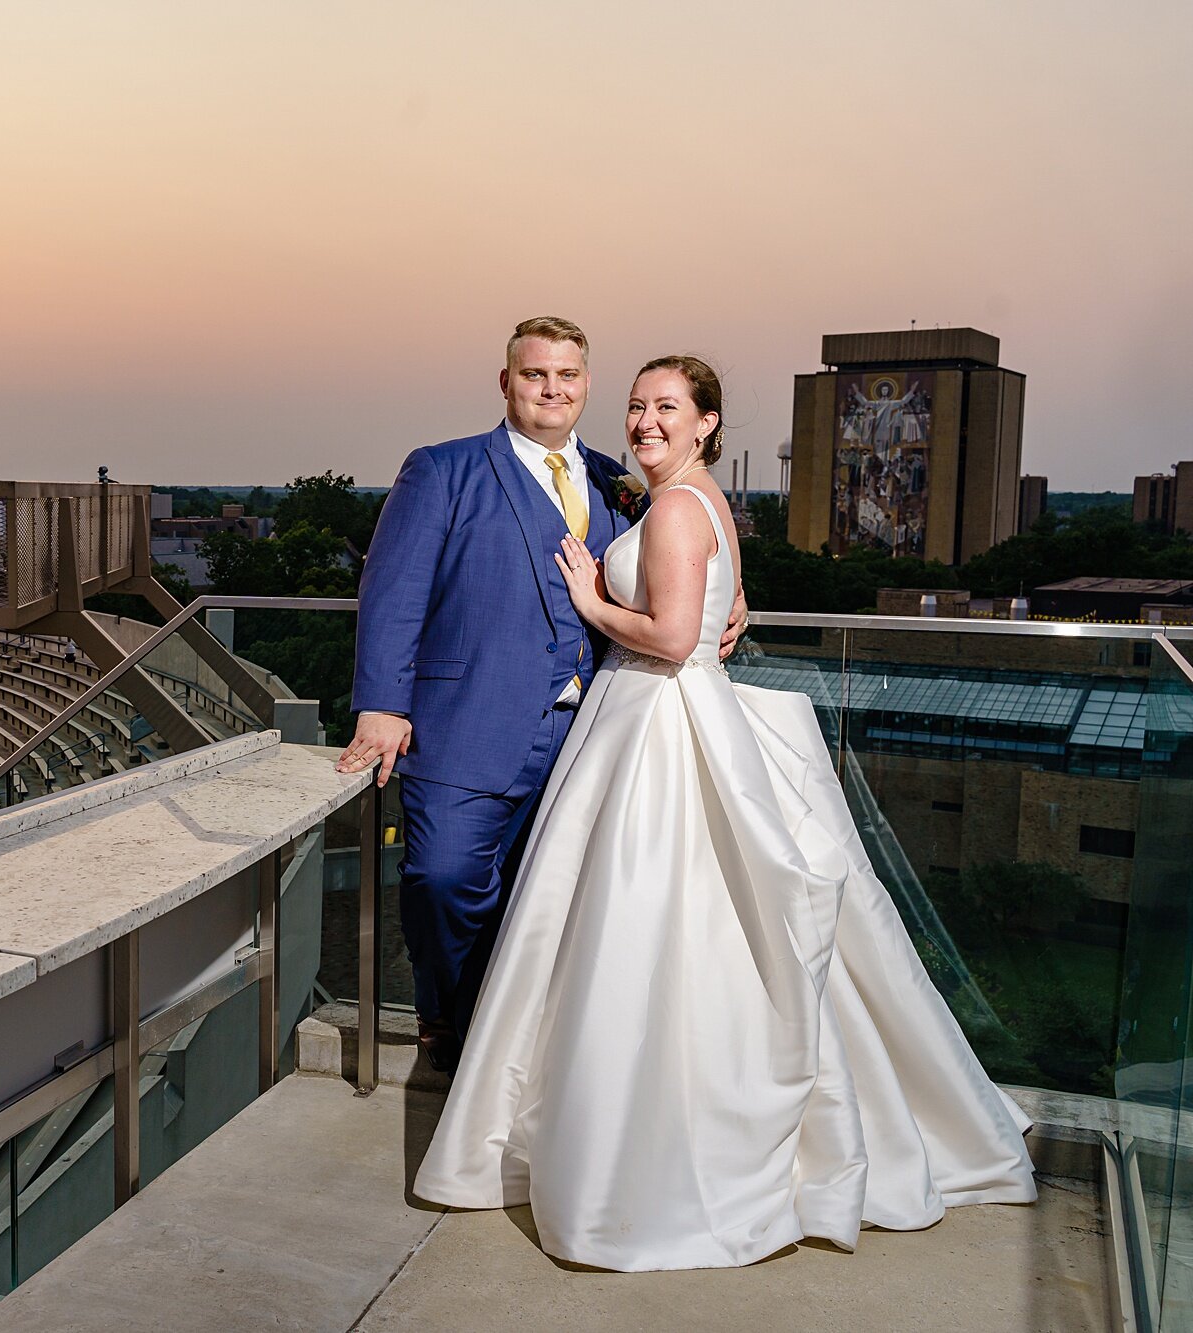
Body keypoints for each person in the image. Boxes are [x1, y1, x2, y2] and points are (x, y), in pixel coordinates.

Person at [411, 355, 1037, 1271]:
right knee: (689, 931)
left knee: (642, 926)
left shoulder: (670, 507)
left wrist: (591, 598)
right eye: (636, 405)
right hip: (676, 711)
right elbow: (708, 607)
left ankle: (640, 1145)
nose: (644, 420)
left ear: (707, 422)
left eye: (667, 406)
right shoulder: (703, 501)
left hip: (657, 718)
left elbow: (668, 636)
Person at [338, 317, 741, 1072]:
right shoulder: (441, 469)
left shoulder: (619, 482)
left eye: (568, 376)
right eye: (535, 375)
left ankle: (510, 1041)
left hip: (594, 731)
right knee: (443, 877)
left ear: (585, 385)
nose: (552, 389)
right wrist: (382, 703)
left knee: (550, 895)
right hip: (467, 725)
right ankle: (446, 1016)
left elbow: (677, 573)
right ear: (507, 382)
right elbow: (391, 592)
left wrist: (731, 605)